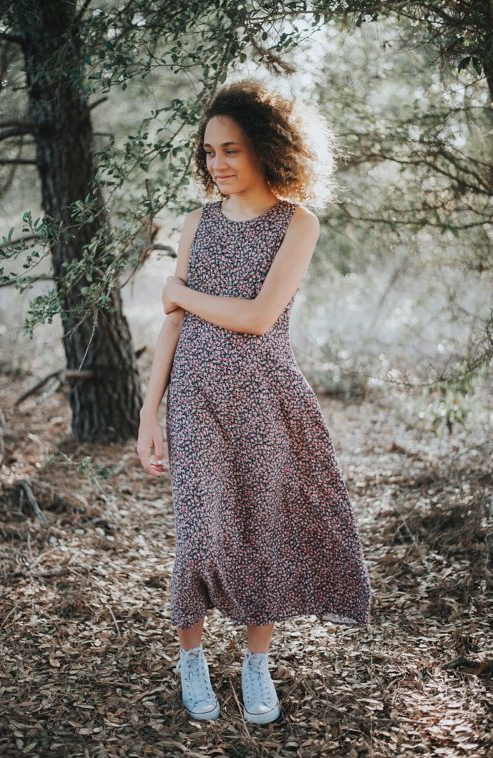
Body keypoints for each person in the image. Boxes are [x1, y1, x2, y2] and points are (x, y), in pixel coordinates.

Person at [135, 80, 372, 725]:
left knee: (263, 532)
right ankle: (192, 658)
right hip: (195, 399)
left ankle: (255, 664)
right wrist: (148, 411)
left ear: (267, 148)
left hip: (268, 400)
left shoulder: (298, 223)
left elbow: (260, 316)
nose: (217, 164)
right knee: (203, 533)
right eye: (209, 152)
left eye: (231, 149)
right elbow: (172, 325)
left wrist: (181, 292)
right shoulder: (198, 223)